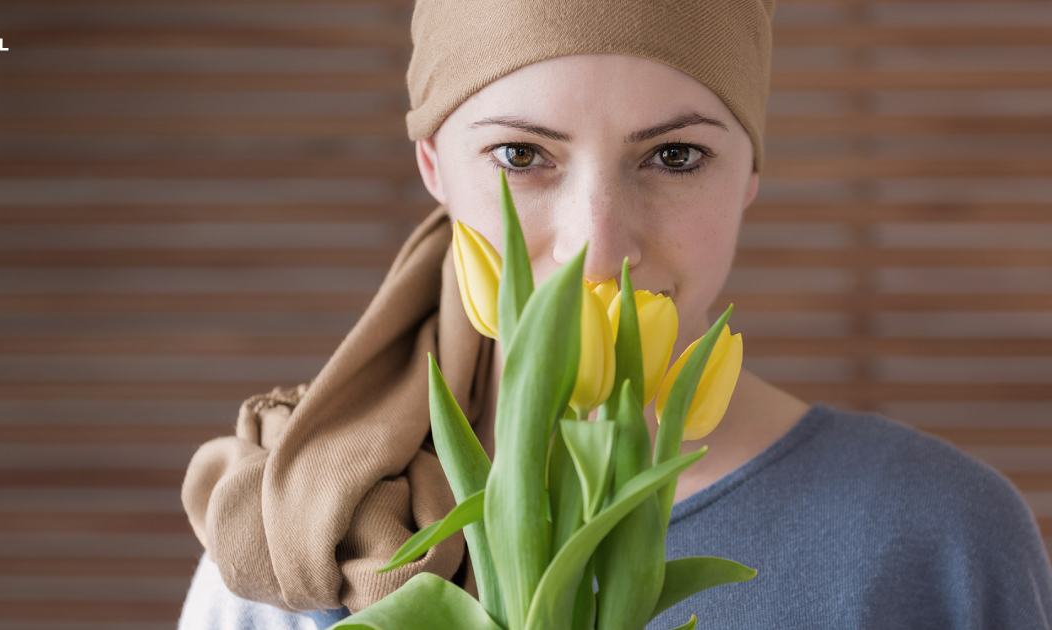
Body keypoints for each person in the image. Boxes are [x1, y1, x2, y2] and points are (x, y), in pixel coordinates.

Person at [177, 0, 1052, 628]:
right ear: (434, 166)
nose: (600, 247)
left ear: (750, 172)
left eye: (676, 155)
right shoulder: (294, 535)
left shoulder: (942, 539)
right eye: (522, 154)